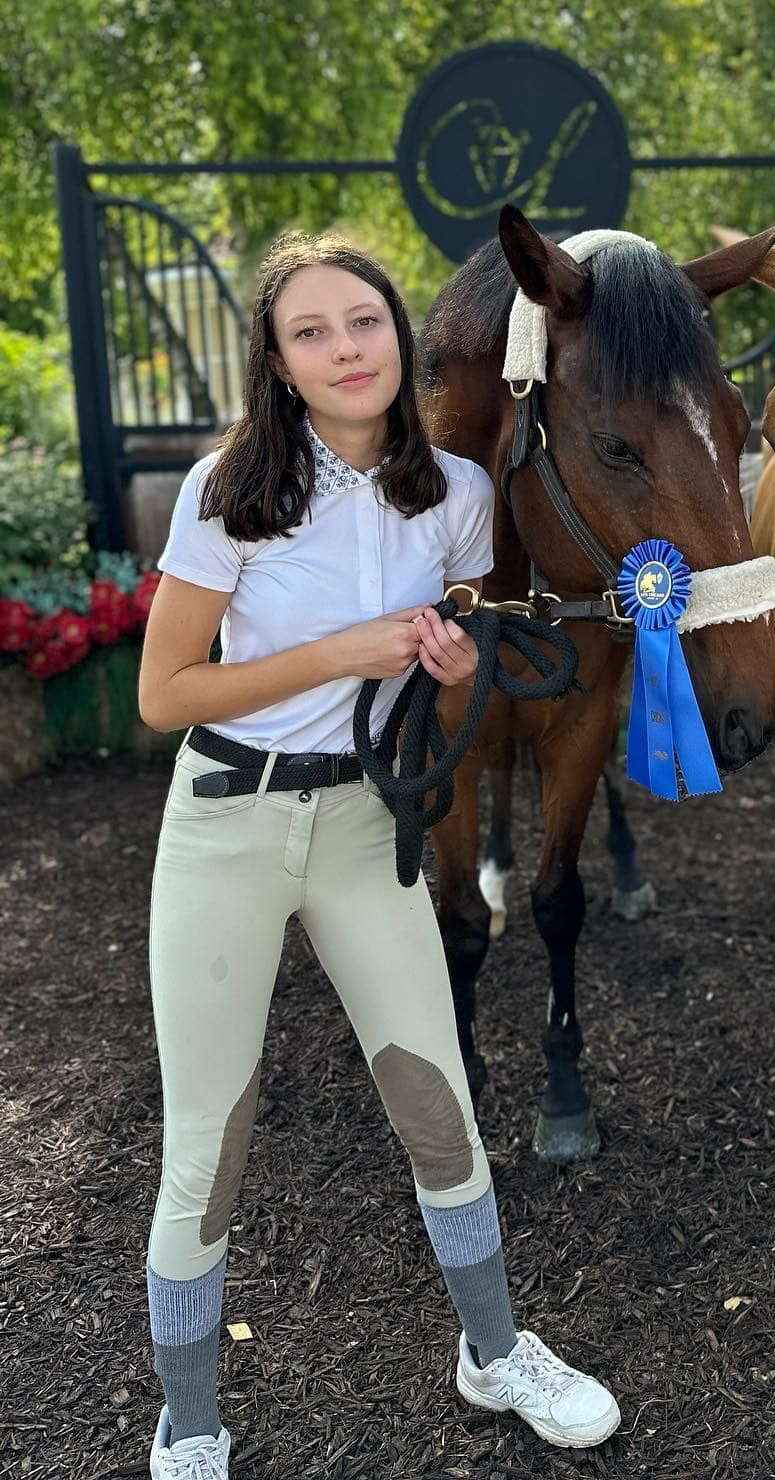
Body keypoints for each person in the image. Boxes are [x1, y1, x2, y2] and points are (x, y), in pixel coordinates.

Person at [137, 233, 619, 1479]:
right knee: (207, 1144)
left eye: (362, 322)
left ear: (398, 337)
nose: (345, 349)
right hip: (229, 826)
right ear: (278, 361)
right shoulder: (229, 489)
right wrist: (339, 654)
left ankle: (493, 1353)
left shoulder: (454, 495)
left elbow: (450, 663)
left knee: (438, 1108)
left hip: (365, 824)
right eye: (310, 332)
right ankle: (191, 1423)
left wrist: (450, 661)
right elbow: (164, 692)